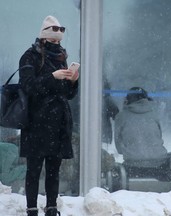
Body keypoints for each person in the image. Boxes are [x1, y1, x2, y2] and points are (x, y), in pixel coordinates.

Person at [18, 15, 79, 216]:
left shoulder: (61, 57)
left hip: (59, 123)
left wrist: (72, 81)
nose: (56, 44)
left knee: (54, 169)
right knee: (34, 169)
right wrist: (52, 77)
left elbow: (68, 95)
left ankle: (52, 206)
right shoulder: (30, 56)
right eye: (52, 40)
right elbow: (28, 86)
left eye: (58, 41)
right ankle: (31, 208)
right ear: (43, 38)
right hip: (36, 122)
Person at [114, 87, 171, 179]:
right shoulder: (154, 114)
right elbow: (158, 136)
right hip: (159, 163)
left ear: (127, 99)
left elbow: (119, 149)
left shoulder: (121, 117)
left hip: (133, 165)